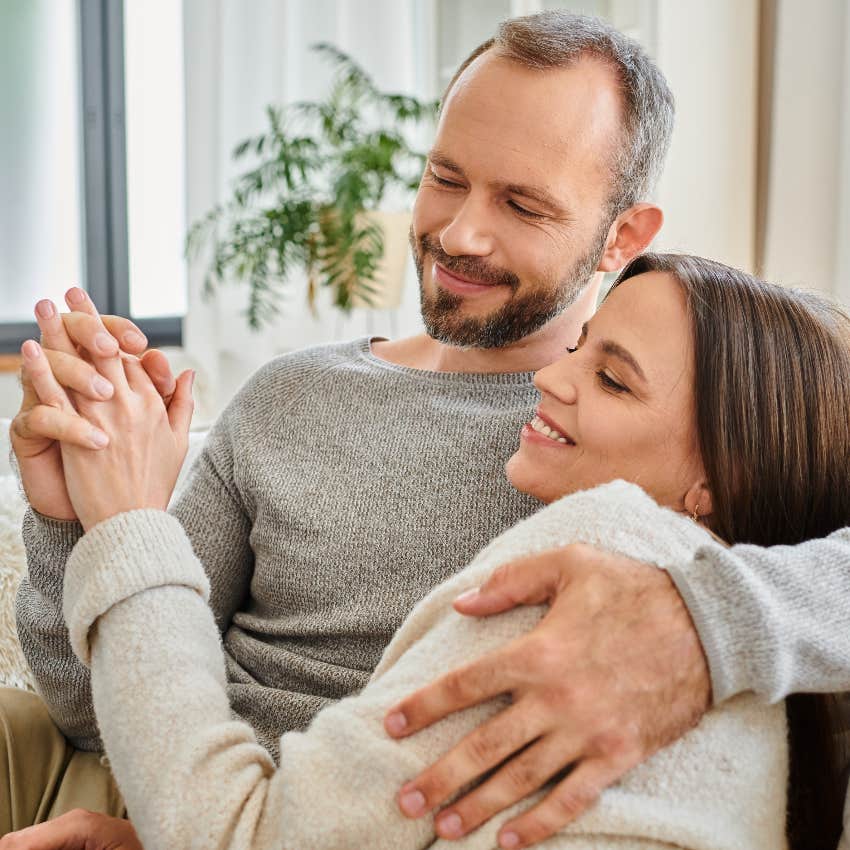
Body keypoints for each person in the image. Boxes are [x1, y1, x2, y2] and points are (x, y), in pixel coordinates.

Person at [4, 10, 850, 850]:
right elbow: (91, 705)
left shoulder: (643, 454)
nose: (458, 234)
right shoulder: (289, 398)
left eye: (523, 204)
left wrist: (714, 620)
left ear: (621, 235)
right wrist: (67, 522)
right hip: (159, 771)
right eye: (446, 177)